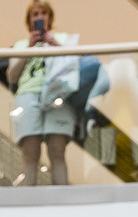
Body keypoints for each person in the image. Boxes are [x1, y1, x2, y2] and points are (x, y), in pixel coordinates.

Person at [8, 0, 87, 187]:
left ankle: (61, 201)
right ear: (29, 19)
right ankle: (28, 202)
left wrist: (55, 44)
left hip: (57, 93)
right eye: (35, 14)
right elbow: (12, 76)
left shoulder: (64, 39)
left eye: (43, 13)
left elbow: (76, 64)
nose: (39, 17)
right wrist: (29, 47)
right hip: (28, 93)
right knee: (30, 153)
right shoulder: (21, 44)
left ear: (50, 16)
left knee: (57, 151)